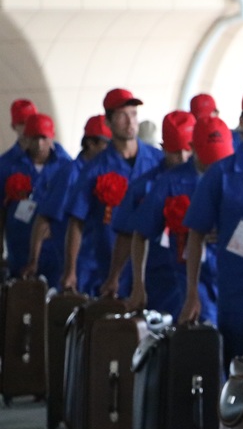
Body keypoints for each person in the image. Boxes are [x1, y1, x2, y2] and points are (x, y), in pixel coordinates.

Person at [179, 81, 243, 367]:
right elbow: (195, 233)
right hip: (236, 301)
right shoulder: (220, 174)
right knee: (238, 376)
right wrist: (192, 294)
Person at [126, 116, 235, 322]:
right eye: (210, 160)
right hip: (190, 279)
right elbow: (141, 233)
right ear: (195, 149)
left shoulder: (237, 174)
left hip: (237, 277)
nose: (216, 168)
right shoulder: (170, 182)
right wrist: (138, 285)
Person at [62, 88, 163, 296]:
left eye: (133, 114)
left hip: (154, 267)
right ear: (108, 123)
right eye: (122, 116)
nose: (130, 122)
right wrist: (70, 270)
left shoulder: (158, 162)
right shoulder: (95, 169)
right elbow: (77, 221)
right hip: (107, 265)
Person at [103, 111, 195, 311]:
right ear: (163, 148)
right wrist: (116, 277)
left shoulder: (208, 182)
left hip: (198, 279)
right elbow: (128, 234)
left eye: (187, 150)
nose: (183, 158)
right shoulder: (145, 186)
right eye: (175, 152)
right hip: (155, 278)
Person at [24, 115, 110, 284]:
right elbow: (44, 218)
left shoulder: (103, 172)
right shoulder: (71, 174)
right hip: (76, 263)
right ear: (91, 144)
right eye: (106, 144)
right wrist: (33, 260)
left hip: (98, 260)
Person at [0, 113, 72, 285]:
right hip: (20, 248)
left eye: (43, 138)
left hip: (56, 250)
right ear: (26, 138)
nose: (39, 144)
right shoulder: (9, 165)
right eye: (34, 138)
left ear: (52, 137)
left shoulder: (66, 166)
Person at [0, 99, 38, 167]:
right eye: (22, 123)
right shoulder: (5, 164)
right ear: (13, 127)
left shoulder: (56, 155)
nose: (28, 126)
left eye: (32, 121)